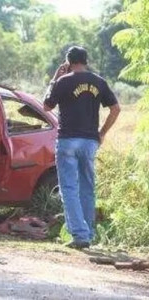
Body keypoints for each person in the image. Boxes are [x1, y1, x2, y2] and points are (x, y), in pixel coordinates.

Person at [43, 46, 120, 249]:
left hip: (68, 140)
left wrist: (54, 79)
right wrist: (101, 133)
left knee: (69, 188)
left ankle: (80, 235)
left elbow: (46, 106)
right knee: (87, 188)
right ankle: (89, 233)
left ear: (68, 63)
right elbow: (116, 108)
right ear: (86, 61)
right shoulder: (99, 82)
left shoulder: (63, 81)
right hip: (89, 142)